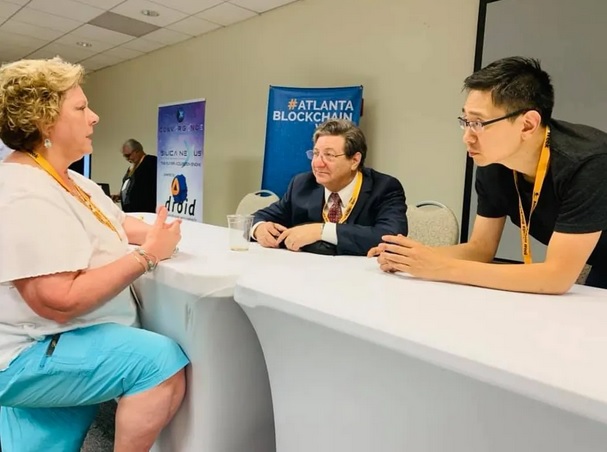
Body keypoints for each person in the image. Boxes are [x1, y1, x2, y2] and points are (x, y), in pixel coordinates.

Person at [0, 57, 189, 452]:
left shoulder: (71, 180)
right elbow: (57, 300)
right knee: (158, 364)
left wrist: (159, 233)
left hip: (59, 338)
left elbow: (115, 223)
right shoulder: (23, 191)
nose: (95, 117)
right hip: (32, 349)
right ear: (45, 121)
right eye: (81, 108)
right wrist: (146, 257)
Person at [371, 56, 607, 294]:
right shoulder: (494, 163)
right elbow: (480, 249)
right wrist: (409, 256)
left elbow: (556, 277)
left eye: (478, 123)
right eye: (465, 121)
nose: (467, 137)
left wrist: (440, 267)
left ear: (528, 124)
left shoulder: (588, 163)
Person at [252, 118, 408, 256]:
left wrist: (322, 231)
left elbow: (392, 237)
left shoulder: (384, 188)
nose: (318, 163)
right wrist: (259, 228)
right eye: (315, 154)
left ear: (354, 160)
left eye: (329, 155)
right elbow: (255, 218)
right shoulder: (302, 184)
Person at [117, 138, 157, 213]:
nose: (127, 159)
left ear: (137, 151)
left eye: (128, 155)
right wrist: (120, 195)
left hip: (145, 211)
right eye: (125, 156)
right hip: (130, 211)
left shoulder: (151, 162)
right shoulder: (132, 168)